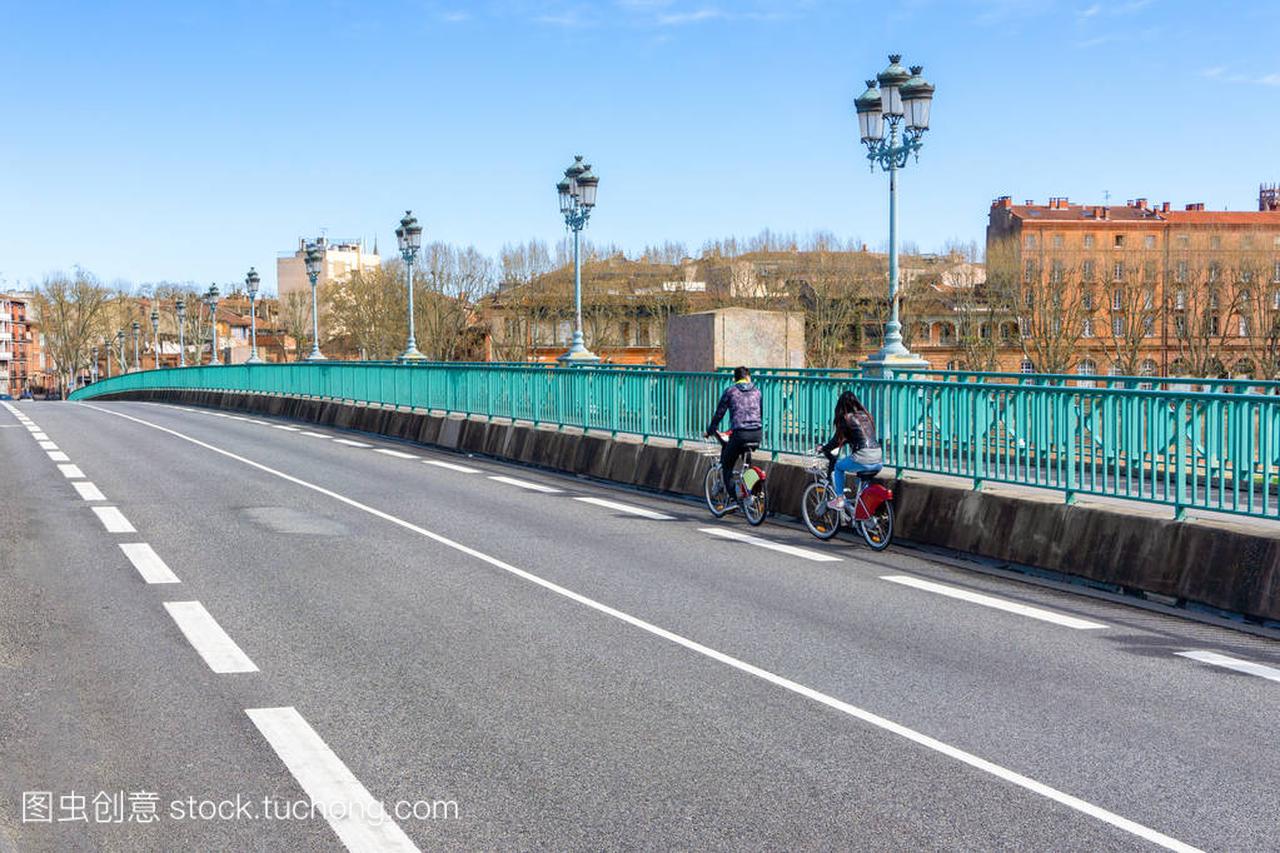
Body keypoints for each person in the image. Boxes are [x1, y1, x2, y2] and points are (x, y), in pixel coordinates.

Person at [705, 366, 763, 502]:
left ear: (735, 379)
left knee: (727, 463)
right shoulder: (757, 391)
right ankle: (752, 491)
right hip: (757, 433)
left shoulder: (731, 391)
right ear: (748, 377)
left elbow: (719, 413)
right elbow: (760, 413)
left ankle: (734, 498)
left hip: (740, 434)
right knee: (746, 463)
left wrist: (710, 430)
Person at [819, 391, 882, 510]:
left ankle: (840, 499)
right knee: (861, 481)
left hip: (864, 457)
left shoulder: (846, 418)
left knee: (838, 466)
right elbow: (861, 436)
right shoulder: (866, 415)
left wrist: (823, 448)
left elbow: (836, 441)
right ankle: (862, 509)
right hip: (878, 458)